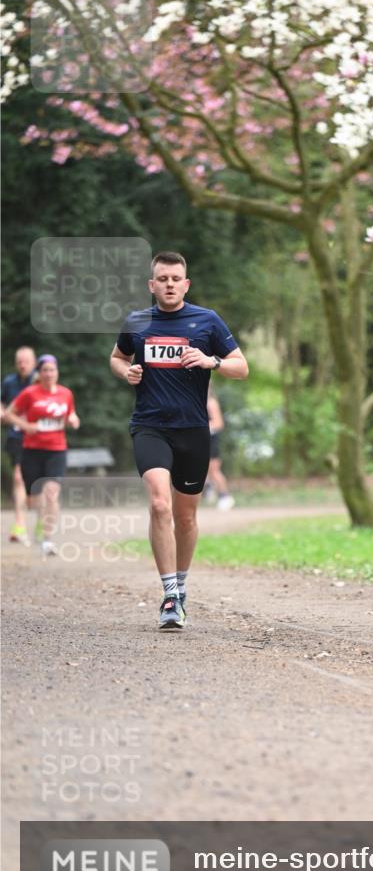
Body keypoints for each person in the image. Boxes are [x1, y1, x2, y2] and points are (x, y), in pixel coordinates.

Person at [110, 251, 249, 630]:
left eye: (176, 278)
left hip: (193, 430)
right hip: (150, 426)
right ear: (151, 285)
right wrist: (128, 372)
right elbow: (117, 357)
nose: (169, 284)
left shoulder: (207, 321)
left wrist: (212, 362)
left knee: (186, 517)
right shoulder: (137, 322)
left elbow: (242, 367)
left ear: (185, 284)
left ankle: (182, 586)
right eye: (162, 278)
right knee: (159, 504)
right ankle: (170, 595)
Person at [4, 354, 79, 556]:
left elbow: (71, 414)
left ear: (57, 372)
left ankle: (47, 539)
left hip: (56, 449)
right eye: (45, 370)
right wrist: (25, 425)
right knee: (33, 499)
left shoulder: (66, 393)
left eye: (52, 370)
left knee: (52, 493)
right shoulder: (29, 393)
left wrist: (73, 419)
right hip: (32, 450)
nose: (48, 374)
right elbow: (8, 414)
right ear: (39, 373)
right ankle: (39, 520)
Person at [1, 346, 36, 544]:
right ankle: (20, 525)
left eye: (26, 361)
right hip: (17, 436)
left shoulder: (41, 380)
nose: (22, 364)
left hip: (40, 438)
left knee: (34, 487)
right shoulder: (9, 382)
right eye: (19, 361)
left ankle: (41, 521)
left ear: (33, 362)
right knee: (17, 477)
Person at [206, 389, 235, 511]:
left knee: (214, 470)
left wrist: (200, 427)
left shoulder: (211, 402)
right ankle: (209, 488)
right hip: (201, 440)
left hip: (211, 440)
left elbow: (218, 423)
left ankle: (225, 496)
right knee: (204, 469)